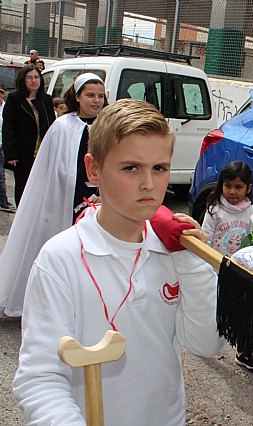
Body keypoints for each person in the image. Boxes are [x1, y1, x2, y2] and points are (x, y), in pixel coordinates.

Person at [12, 98, 225, 425]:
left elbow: (206, 342)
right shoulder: (60, 259)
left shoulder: (174, 251)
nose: (149, 185)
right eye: (131, 168)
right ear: (93, 169)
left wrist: (189, 256)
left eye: (159, 168)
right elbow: (39, 378)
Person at [0, 73, 107, 317]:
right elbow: (50, 168)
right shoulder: (62, 127)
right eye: (90, 95)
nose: (96, 101)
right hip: (64, 199)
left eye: (100, 96)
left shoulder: (107, 125)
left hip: (99, 198)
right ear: (77, 96)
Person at [2, 64, 55, 206]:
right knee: (23, 187)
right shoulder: (14, 99)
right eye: (29, 77)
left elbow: (52, 126)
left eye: (37, 77)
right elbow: (8, 127)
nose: (33, 81)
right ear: (23, 80)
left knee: (42, 188)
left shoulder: (46, 100)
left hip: (42, 153)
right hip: (23, 153)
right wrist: (11, 153)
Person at [202, 160, 253, 256]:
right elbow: (206, 240)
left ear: (248, 188)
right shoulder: (215, 210)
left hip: (237, 265)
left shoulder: (250, 210)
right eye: (228, 186)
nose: (232, 191)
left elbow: (250, 240)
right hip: (214, 266)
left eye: (238, 187)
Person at [0, 83, 15, 213]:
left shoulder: (5, 107)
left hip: (1, 146)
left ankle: (3, 201)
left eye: (1, 94)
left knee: (1, 175)